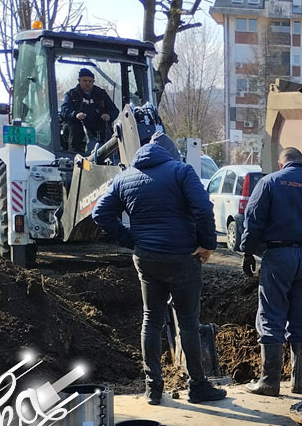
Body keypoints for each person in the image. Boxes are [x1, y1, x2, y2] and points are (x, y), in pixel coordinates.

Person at [93, 133, 226, 405]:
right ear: (170, 153)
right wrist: (207, 244)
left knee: (150, 319)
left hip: (147, 258)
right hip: (182, 258)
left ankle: (153, 388)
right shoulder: (181, 171)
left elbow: (100, 213)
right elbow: (202, 208)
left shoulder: (125, 177)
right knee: (188, 322)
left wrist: (132, 240)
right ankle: (198, 387)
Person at [238, 147, 302, 396]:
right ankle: (297, 382)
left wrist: (247, 251)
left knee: (272, 314)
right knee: (301, 314)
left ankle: (270, 381)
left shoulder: (269, 183)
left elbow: (253, 219)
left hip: (278, 254)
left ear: (281, 162)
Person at [61, 68, 116, 154]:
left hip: (98, 124)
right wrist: (75, 115)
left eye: (90, 81)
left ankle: (109, 154)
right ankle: (75, 153)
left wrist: (109, 115)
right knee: (74, 127)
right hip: (79, 125)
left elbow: (114, 110)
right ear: (79, 80)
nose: (88, 83)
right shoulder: (71, 94)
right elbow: (64, 110)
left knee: (107, 129)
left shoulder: (101, 93)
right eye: (85, 80)